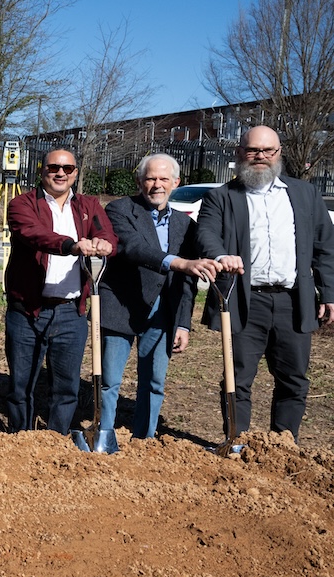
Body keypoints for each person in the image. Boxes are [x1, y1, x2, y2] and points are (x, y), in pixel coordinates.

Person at [196, 125, 334, 440]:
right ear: (238, 153)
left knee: (294, 379)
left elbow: (325, 247)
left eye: (267, 150)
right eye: (252, 150)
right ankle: (236, 441)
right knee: (237, 378)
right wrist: (220, 256)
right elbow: (206, 235)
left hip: (293, 302)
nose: (260, 156)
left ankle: (283, 445)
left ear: (278, 153)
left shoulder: (305, 193)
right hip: (245, 300)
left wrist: (329, 293)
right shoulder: (221, 197)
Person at [98, 154, 220, 439]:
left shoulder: (185, 224)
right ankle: (104, 433)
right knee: (109, 380)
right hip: (120, 308)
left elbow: (186, 281)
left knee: (154, 382)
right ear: (140, 181)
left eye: (164, 179)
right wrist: (179, 262)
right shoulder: (119, 210)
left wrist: (183, 323)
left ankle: (145, 437)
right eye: (150, 178)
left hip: (162, 314)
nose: (157, 185)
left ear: (176, 182)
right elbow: (133, 248)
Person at [4, 147, 117, 434]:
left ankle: (57, 439)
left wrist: (104, 244)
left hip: (71, 312)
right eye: (54, 167)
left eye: (67, 169)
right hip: (28, 310)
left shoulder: (89, 205)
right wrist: (71, 245)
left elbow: (106, 233)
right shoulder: (22, 204)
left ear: (75, 173)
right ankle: (21, 438)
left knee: (66, 387)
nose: (60, 173)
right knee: (21, 385)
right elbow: (33, 234)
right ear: (42, 171)